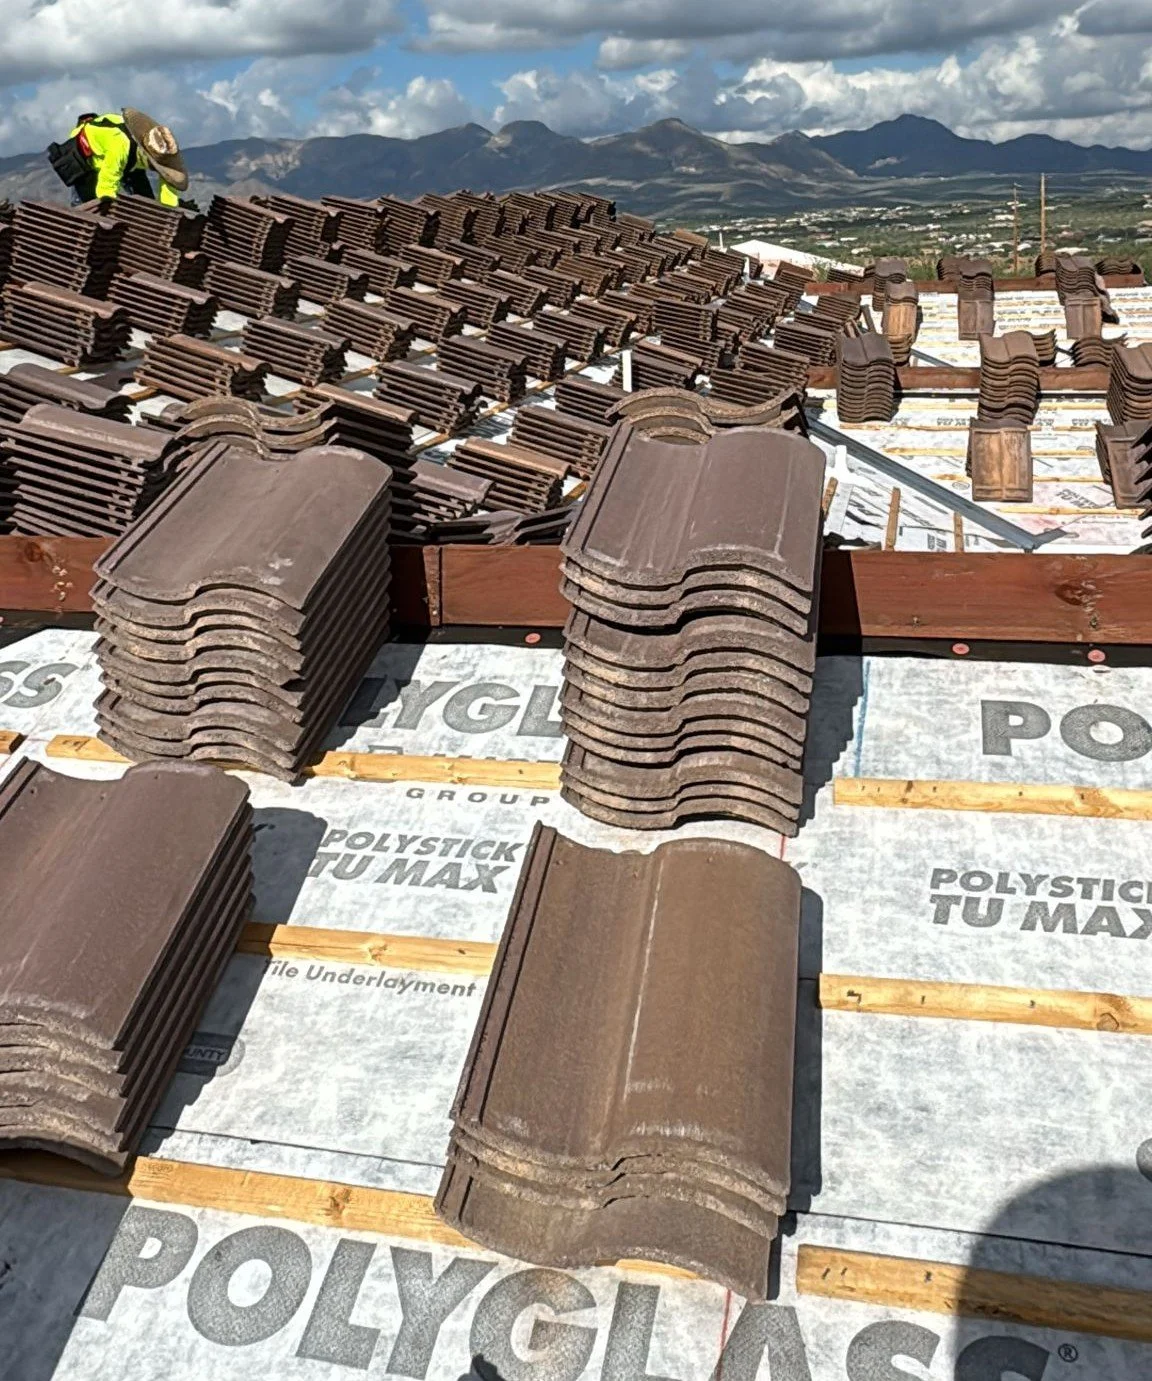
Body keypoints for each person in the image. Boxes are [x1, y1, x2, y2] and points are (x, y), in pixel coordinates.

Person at [47, 108, 191, 208]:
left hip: (129, 160)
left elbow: (169, 191)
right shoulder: (120, 146)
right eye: (154, 164)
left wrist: (167, 214)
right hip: (86, 156)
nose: (156, 168)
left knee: (146, 201)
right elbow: (105, 190)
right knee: (87, 207)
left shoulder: (163, 147)